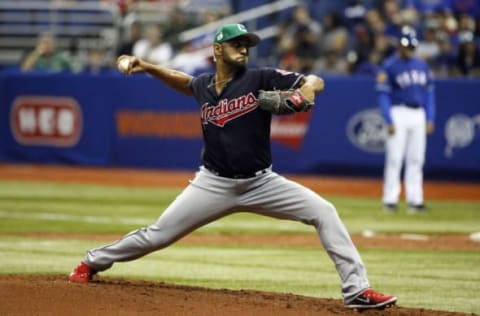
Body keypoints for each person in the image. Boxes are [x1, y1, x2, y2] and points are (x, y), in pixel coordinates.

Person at [69, 23, 397, 311]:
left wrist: (303, 94)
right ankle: (92, 261)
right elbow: (183, 82)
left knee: (324, 211)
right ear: (217, 50)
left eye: (247, 45)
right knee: (158, 235)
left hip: (262, 183)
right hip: (213, 184)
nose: (243, 49)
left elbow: (315, 80)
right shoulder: (204, 86)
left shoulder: (260, 78)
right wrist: (147, 66)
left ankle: (356, 290)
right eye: (236, 44)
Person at [376, 26, 436, 213]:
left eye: (411, 46)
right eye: (405, 45)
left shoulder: (422, 65)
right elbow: (383, 95)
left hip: (418, 114)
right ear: (399, 45)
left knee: (416, 159)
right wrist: (388, 119)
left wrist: (430, 117)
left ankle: (415, 201)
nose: (408, 49)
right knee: (395, 158)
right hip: (398, 112)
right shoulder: (389, 65)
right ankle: (390, 200)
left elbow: (429, 94)